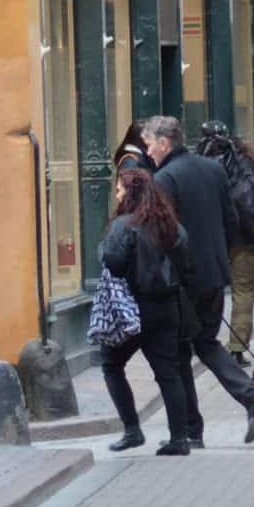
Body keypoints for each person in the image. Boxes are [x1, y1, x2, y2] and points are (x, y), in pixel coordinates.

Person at [144, 116, 254, 443]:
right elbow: (231, 220)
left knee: (180, 349)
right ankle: (245, 400)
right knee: (203, 342)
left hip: (184, 280)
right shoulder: (212, 169)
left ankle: (192, 428)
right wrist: (220, 258)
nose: (148, 151)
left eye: (149, 144)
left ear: (164, 143)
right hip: (214, 272)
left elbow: (164, 234)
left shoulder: (164, 179)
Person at [97, 167, 200, 454]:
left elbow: (114, 263)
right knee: (169, 372)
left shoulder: (123, 226)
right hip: (167, 307)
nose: (116, 194)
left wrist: (103, 249)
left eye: (119, 189)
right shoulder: (172, 226)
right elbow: (187, 266)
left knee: (111, 364)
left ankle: (132, 430)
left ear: (129, 193)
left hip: (132, 307)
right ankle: (179, 439)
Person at [196, 121, 254, 360]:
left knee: (206, 289)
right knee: (243, 292)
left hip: (214, 237)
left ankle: (200, 340)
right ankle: (237, 349)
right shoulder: (249, 162)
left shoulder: (200, 165)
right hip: (248, 237)